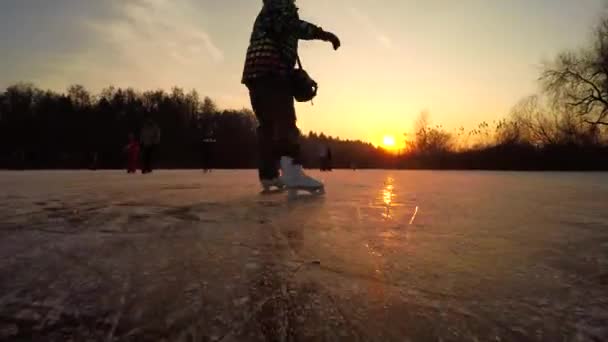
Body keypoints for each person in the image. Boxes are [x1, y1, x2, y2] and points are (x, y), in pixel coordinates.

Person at [242, 0, 341, 194]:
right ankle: (292, 171)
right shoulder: (280, 5)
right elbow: (292, 26)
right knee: (285, 121)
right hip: (272, 69)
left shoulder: (268, 8)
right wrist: (323, 34)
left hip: (254, 72)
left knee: (267, 126)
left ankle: (269, 175)